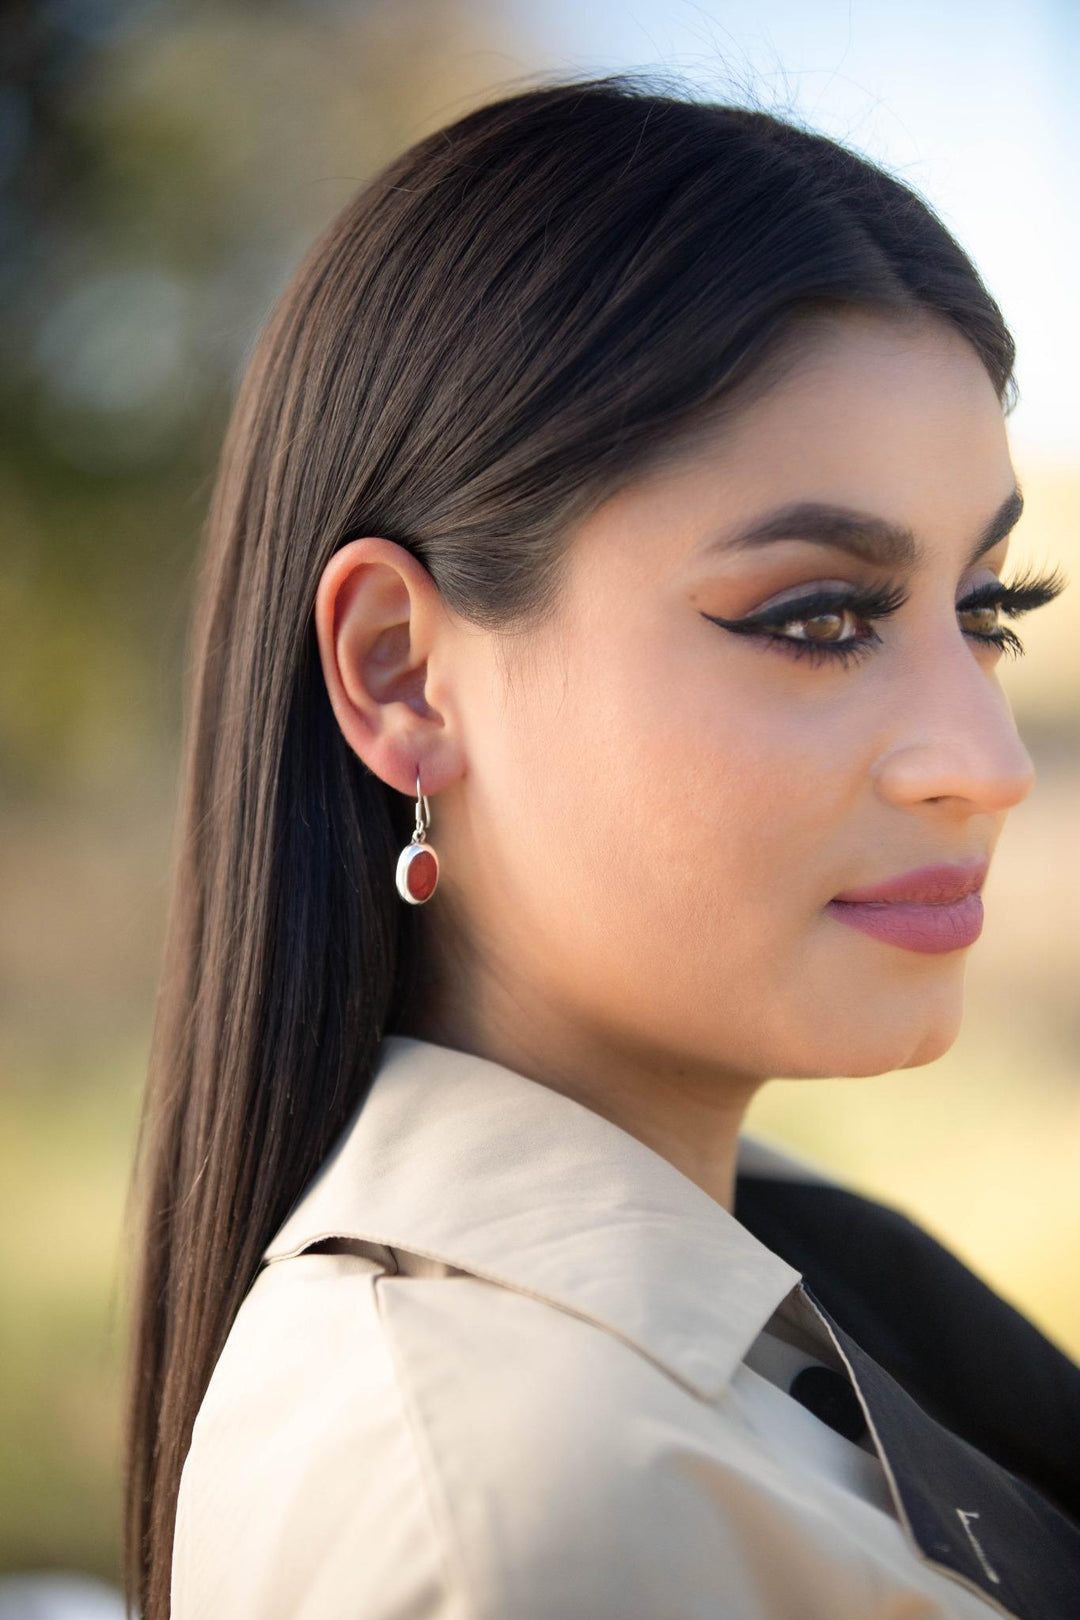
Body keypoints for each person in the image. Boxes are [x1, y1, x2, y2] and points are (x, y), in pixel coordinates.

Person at [121, 70, 1077, 1620]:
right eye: (819, 620)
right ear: (401, 675)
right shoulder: (522, 1526)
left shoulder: (776, 1276)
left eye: (984, 613)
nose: (984, 765)